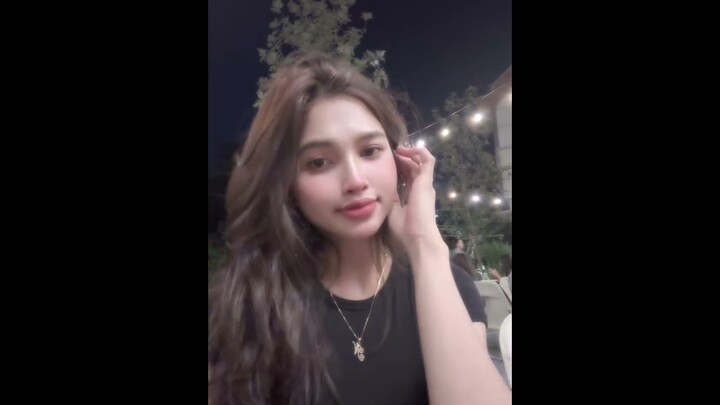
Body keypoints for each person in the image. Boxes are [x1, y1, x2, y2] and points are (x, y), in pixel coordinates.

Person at [208, 52, 512, 405]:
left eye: (370, 151)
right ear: (285, 182)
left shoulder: (447, 285)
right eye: (318, 162)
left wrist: (426, 244)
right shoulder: (242, 306)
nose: (354, 180)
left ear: (399, 161)